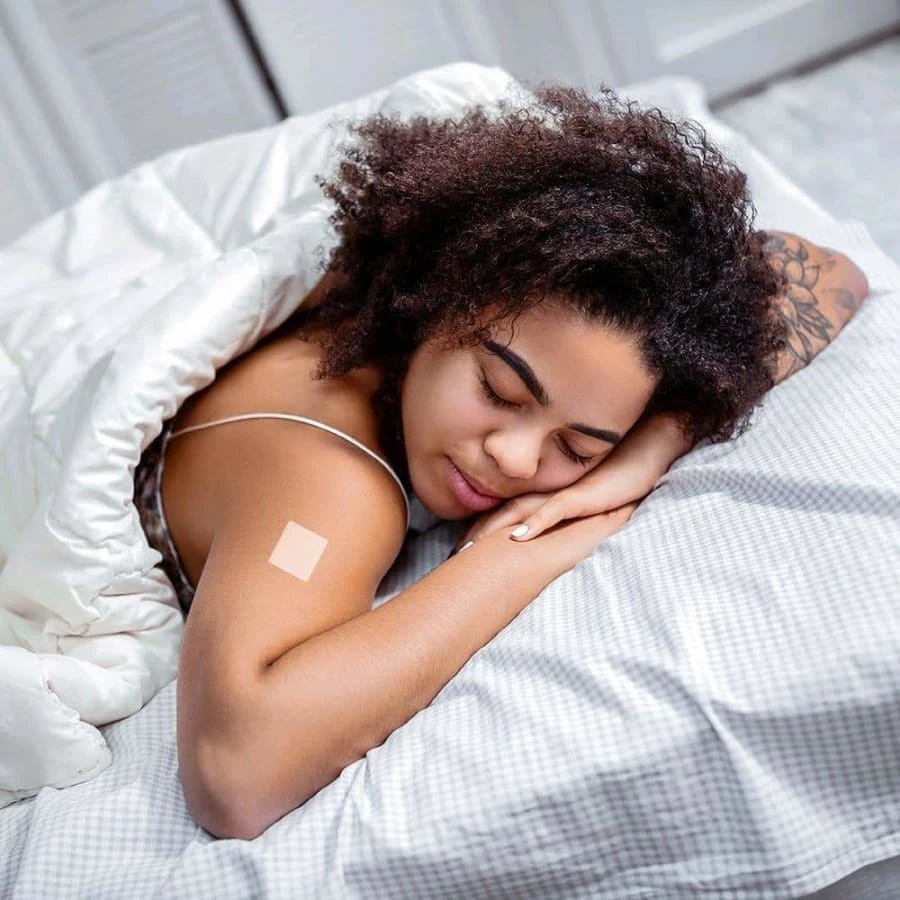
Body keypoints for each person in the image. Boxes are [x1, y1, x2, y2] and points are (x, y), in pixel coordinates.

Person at [139, 86, 868, 839]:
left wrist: (648, 449)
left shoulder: (484, 314)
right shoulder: (334, 483)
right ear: (440, 298)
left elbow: (829, 273)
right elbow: (234, 777)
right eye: (499, 390)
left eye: (577, 446)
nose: (515, 461)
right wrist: (526, 555)